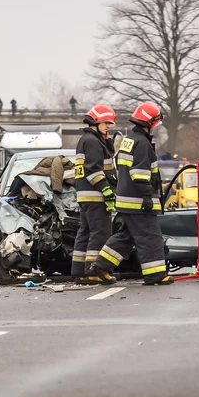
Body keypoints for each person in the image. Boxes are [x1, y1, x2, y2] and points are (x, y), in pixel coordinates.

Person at [92, 101, 173, 286]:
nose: (155, 127)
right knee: (151, 236)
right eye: (155, 123)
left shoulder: (129, 140)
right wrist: (147, 197)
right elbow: (140, 174)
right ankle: (156, 274)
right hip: (138, 201)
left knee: (126, 237)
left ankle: (101, 266)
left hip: (126, 201)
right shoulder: (143, 143)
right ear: (149, 122)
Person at [72, 104, 118, 284]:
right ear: (96, 121)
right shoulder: (91, 141)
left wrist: (107, 141)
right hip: (96, 195)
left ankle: (80, 272)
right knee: (99, 233)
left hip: (85, 196)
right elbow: (94, 170)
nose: (108, 127)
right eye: (106, 123)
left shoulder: (87, 140)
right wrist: (107, 190)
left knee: (85, 233)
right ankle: (92, 272)